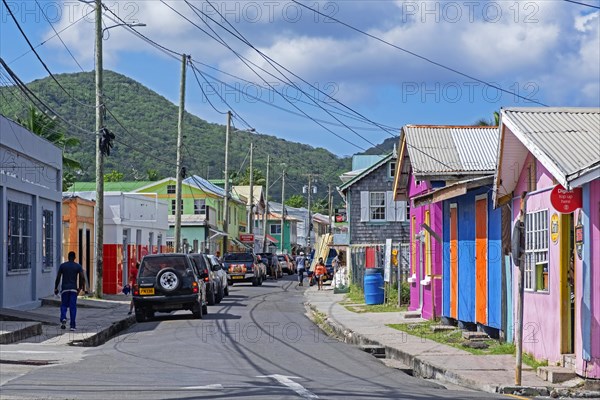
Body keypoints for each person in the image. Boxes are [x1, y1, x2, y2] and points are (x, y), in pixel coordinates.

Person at [54, 251, 87, 331]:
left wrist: (56, 288)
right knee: (73, 307)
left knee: (64, 305)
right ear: (74, 257)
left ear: (68, 257)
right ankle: (72, 325)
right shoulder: (78, 266)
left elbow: (58, 277)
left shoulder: (63, 266)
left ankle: (63, 318)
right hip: (73, 289)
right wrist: (80, 288)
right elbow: (82, 278)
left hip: (65, 289)